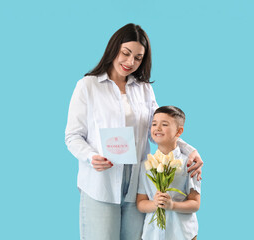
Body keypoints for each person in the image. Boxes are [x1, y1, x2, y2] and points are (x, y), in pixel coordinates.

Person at [65, 23, 203, 240]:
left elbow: (156, 130)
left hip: (138, 186)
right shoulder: (87, 86)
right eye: (126, 53)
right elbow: (73, 136)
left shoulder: (144, 88)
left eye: (138, 58)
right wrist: (91, 157)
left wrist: (190, 150)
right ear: (114, 49)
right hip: (101, 183)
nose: (130, 62)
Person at [137, 106, 201, 240]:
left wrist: (172, 205)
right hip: (152, 234)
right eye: (154, 124)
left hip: (183, 234)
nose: (157, 128)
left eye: (164, 124)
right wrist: (155, 204)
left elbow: (195, 203)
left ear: (179, 131)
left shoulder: (189, 164)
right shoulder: (146, 165)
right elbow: (141, 203)